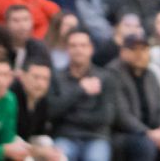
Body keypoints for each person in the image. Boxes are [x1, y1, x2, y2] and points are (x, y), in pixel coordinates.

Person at [106, 32, 160, 161]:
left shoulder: (151, 75)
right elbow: (121, 116)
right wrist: (149, 133)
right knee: (146, 145)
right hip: (122, 135)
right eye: (134, 49)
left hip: (151, 132)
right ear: (123, 52)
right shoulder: (113, 74)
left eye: (144, 49)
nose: (140, 54)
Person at [49, 29, 117, 161]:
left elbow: (107, 117)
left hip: (96, 137)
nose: (78, 50)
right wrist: (80, 90)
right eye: (73, 46)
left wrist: (70, 115)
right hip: (65, 137)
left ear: (91, 49)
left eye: (83, 45)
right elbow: (52, 111)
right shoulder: (57, 77)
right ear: (67, 49)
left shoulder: (105, 77)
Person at [10, 58, 62, 161]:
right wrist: (39, 152)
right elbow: (9, 138)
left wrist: (50, 150)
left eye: (45, 79)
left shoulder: (42, 100)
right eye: (36, 77)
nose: (40, 83)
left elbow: (40, 134)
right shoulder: (11, 97)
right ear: (23, 77)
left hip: (28, 146)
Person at [4, 5, 50, 72]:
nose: (22, 25)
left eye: (25, 20)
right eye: (16, 20)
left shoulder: (40, 49)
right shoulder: (1, 48)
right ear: (7, 24)